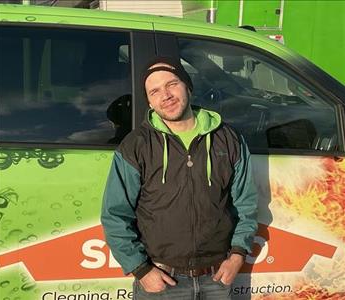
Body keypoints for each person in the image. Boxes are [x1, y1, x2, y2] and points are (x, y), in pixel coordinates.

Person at [101, 56, 258, 300]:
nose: (165, 95)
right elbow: (115, 214)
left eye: (172, 84)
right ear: (150, 102)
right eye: (154, 91)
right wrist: (141, 270)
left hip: (217, 278)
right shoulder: (136, 146)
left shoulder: (227, 139)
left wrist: (238, 255)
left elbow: (245, 204)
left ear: (188, 86)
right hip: (162, 280)